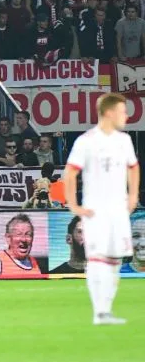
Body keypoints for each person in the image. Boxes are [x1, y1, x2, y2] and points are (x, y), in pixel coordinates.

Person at [63, 93, 140, 324]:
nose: (126, 116)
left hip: (119, 209)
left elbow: (133, 167)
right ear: (109, 113)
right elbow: (70, 173)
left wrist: (133, 196)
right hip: (95, 209)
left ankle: (107, 308)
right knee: (96, 258)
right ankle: (100, 312)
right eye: (122, 111)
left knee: (115, 259)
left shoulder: (124, 141)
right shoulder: (86, 141)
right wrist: (73, 204)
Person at [0, 213, 43, 278]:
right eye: (18, 234)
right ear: (8, 238)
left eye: (28, 234)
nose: (24, 239)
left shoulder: (34, 263)